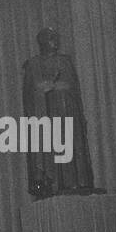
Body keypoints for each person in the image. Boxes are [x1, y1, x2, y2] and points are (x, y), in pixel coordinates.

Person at [21, 28, 96, 197]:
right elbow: (31, 91)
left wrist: (55, 87)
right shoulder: (34, 64)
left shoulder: (65, 61)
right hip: (48, 114)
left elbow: (71, 86)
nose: (55, 41)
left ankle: (77, 182)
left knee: (73, 145)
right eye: (51, 38)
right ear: (42, 41)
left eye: (56, 38)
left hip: (68, 112)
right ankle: (53, 182)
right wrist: (45, 88)